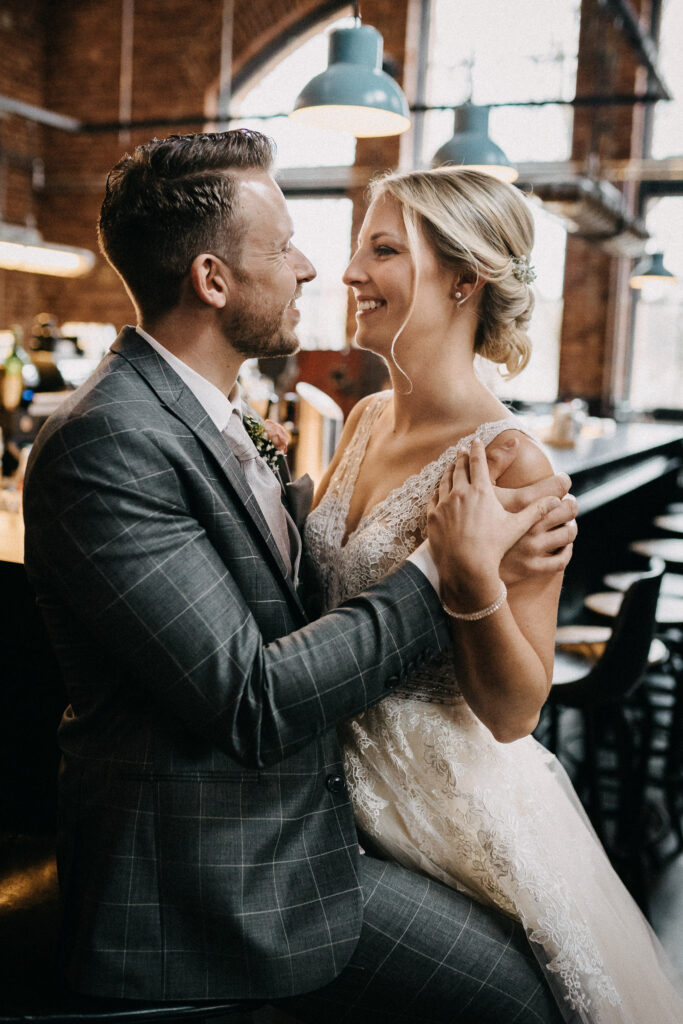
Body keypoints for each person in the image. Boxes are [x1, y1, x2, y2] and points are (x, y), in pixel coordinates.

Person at [22, 130, 577, 1024]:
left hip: (349, 797)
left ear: (464, 282)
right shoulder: (112, 439)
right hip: (218, 862)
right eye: (285, 246)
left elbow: (284, 595)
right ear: (212, 280)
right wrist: (446, 566)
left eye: (378, 248)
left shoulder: (209, 413)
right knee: (519, 1007)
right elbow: (252, 697)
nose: (323, 269)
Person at [304, 165, 683, 1024]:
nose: (351, 271)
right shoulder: (363, 418)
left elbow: (515, 711)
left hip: (433, 798)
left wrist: (471, 578)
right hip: (323, 767)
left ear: (463, 280)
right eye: (361, 248)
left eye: (382, 250)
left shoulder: (509, 463)